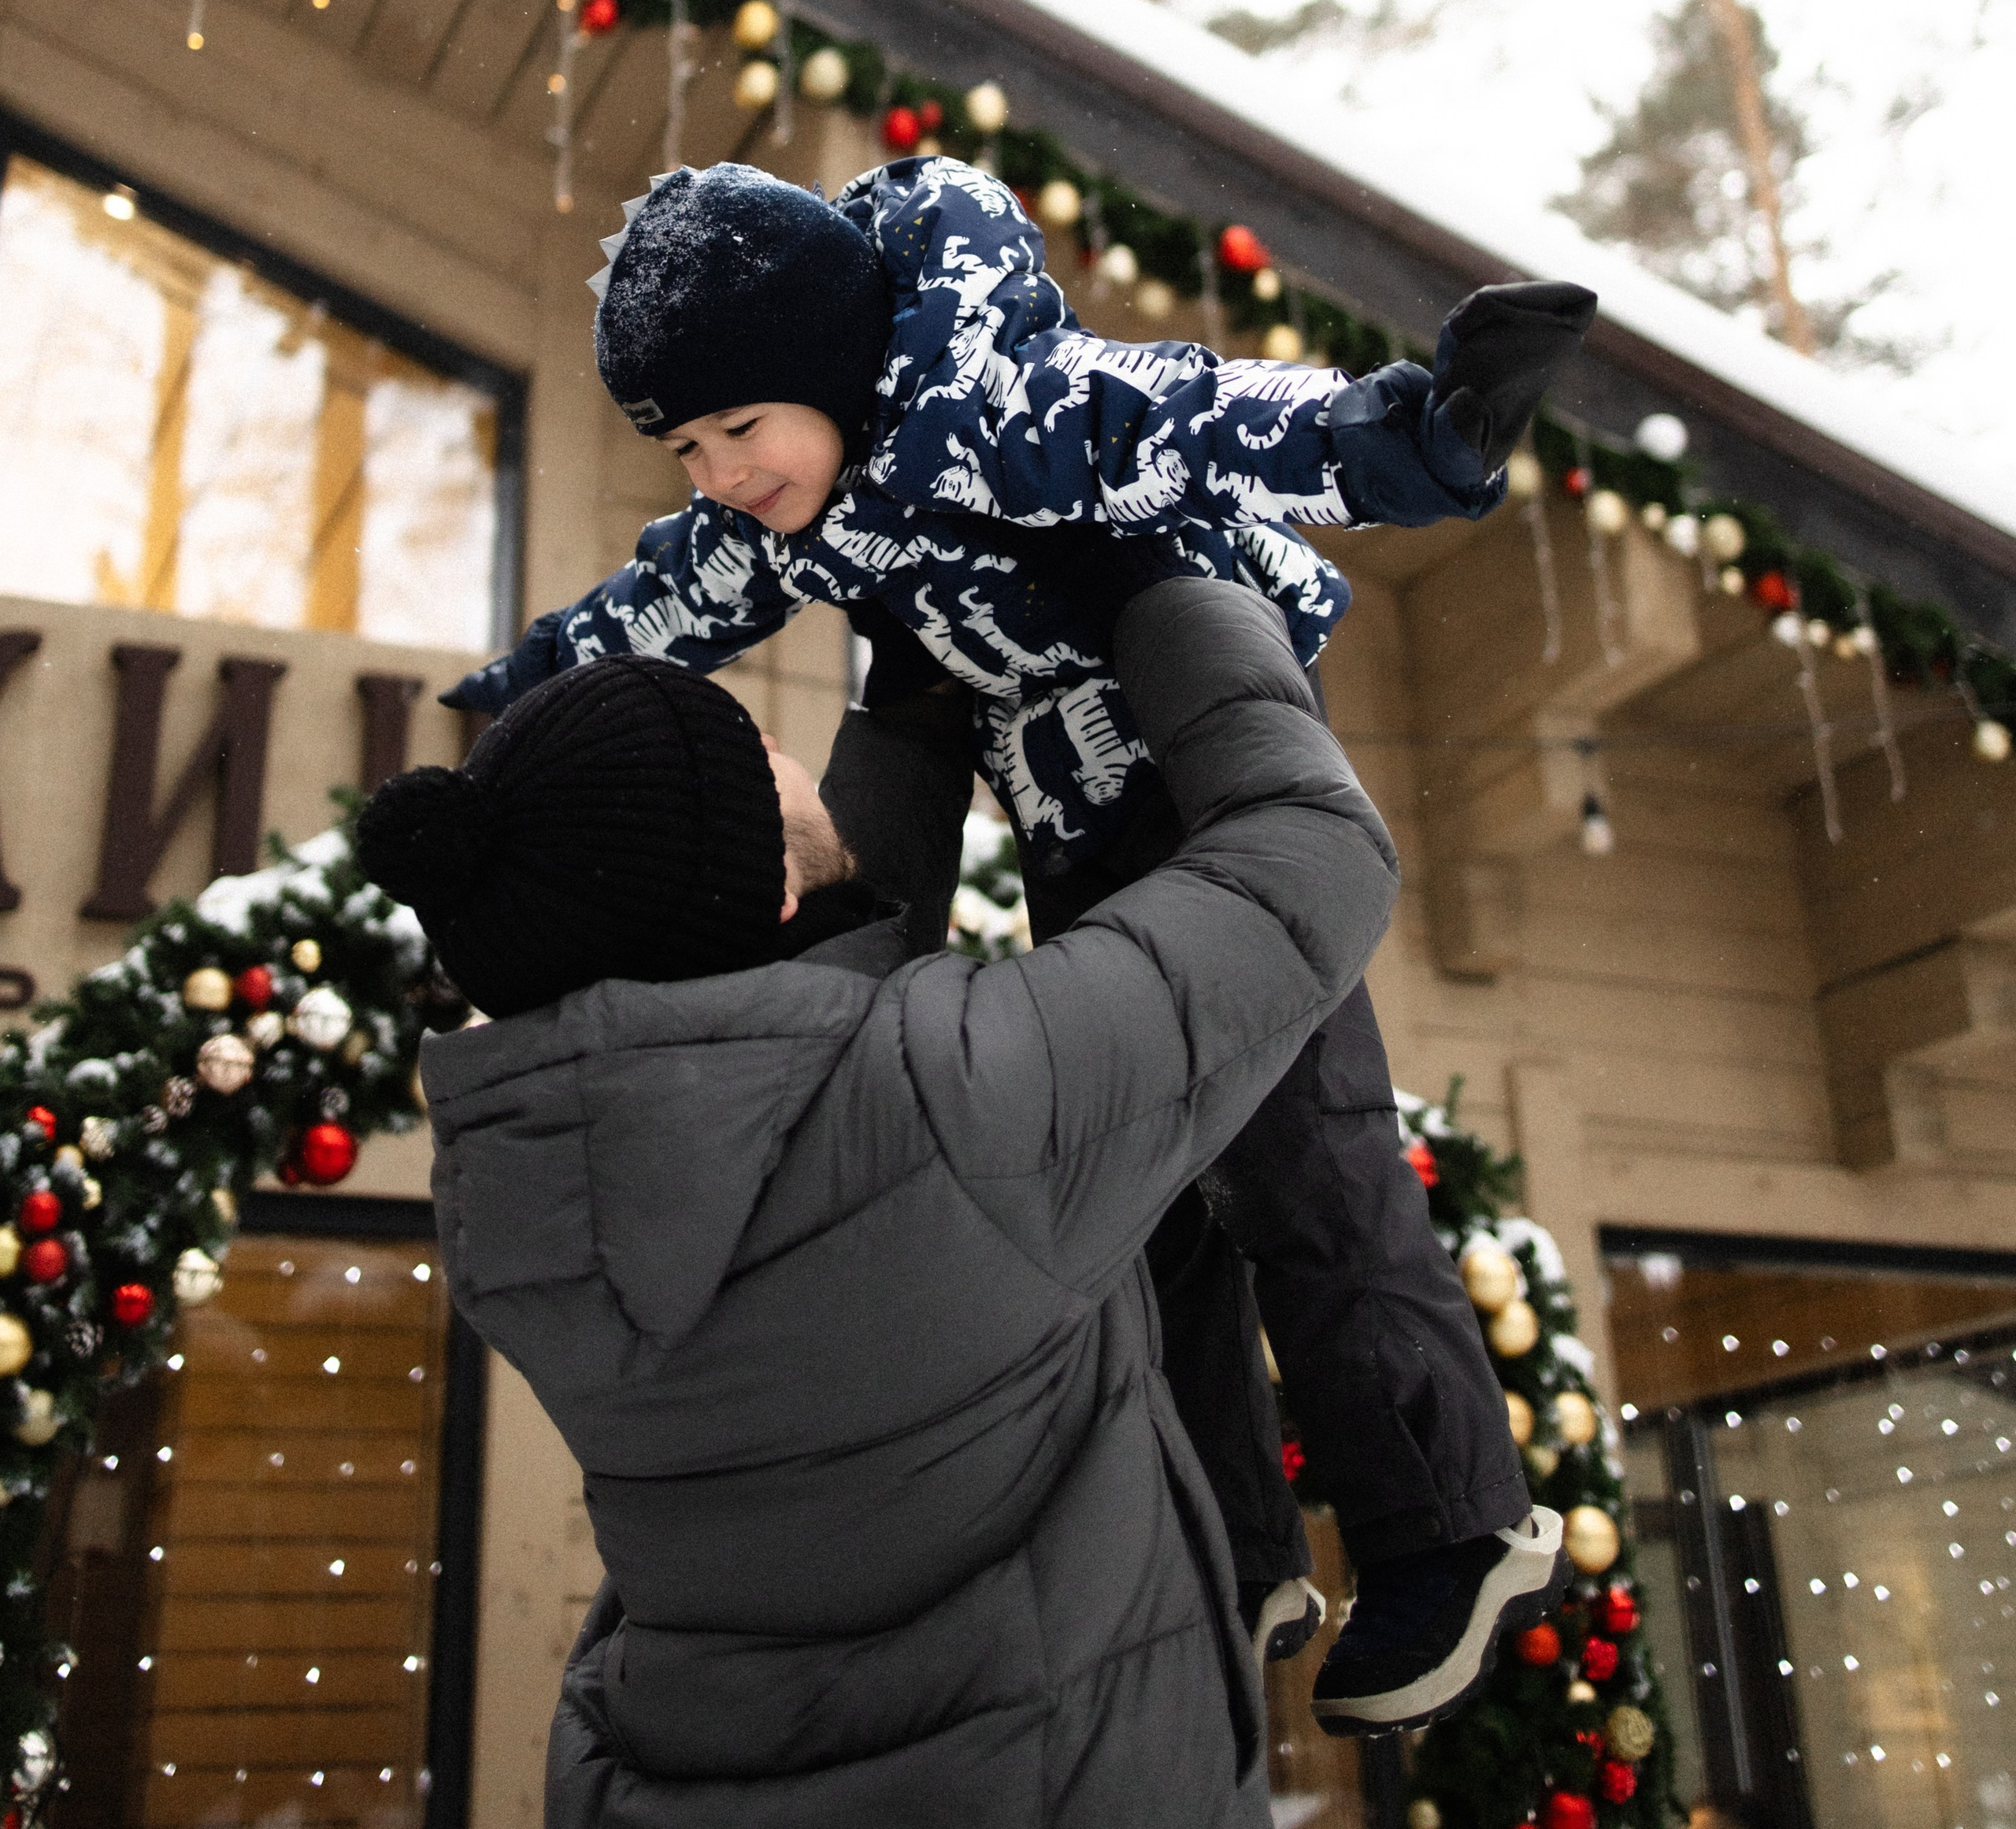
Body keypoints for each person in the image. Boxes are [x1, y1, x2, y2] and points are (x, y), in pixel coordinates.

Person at [446, 153, 1592, 1727]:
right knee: (1149, 1180)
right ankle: (1239, 1541)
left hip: (1207, 756)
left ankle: (1451, 1527)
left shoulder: (997, 403)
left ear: (831, 374)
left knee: (1296, 1154)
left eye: (736, 427)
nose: (714, 469)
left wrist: (1415, 434)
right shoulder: (788, 504)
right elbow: (668, 594)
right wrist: (514, 704)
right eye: (685, 443)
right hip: (1069, 802)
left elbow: (1207, 418)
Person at [370, 571, 1566, 1827]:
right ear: (765, 890)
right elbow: (1310, 862)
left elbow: (798, 1026)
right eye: (761, 759)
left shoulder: (533, 1200)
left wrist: (906, 718)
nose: (783, 750)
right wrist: (1175, 588)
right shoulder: (965, 1109)